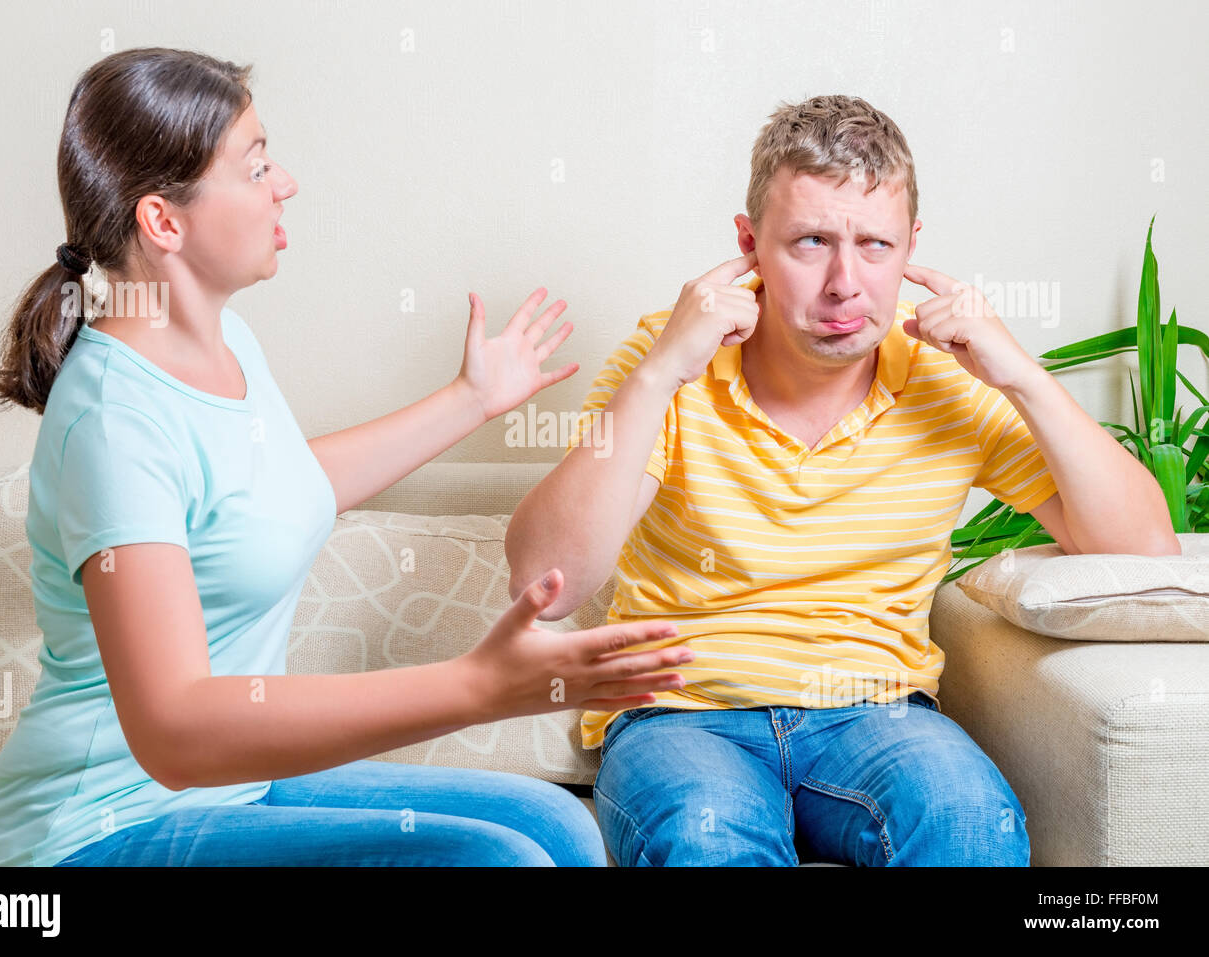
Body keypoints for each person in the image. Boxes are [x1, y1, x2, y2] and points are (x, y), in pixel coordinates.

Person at [0, 46, 694, 867]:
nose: (286, 183)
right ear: (164, 221)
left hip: (228, 790)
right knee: (496, 861)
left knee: (553, 824)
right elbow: (173, 730)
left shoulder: (224, 341)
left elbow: (275, 492)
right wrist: (476, 687)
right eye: (256, 165)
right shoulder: (111, 419)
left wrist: (470, 400)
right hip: (99, 831)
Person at [505, 94, 1180, 866]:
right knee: (703, 835)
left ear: (912, 246)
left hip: (880, 715)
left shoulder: (947, 376)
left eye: (875, 245)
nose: (844, 283)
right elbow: (544, 581)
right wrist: (660, 373)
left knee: (969, 823)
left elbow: (1145, 545)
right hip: (682, 717)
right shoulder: (666, 360)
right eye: (811, 241)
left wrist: (1022, 375)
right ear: (749, 243)